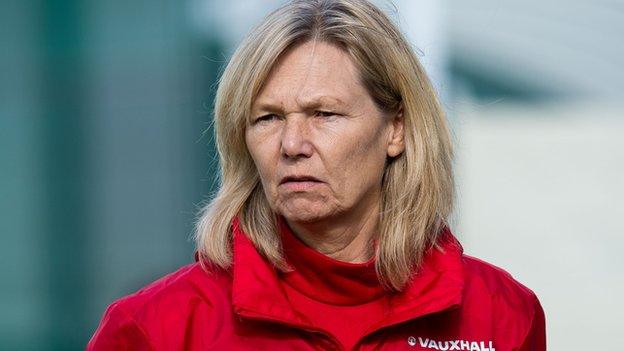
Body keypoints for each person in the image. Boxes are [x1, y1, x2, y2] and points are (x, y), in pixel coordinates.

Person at [87, 0, 546, 350]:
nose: (292, 145)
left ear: (396, 130)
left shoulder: (502, 314)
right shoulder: (156, 328)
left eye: (323, 113)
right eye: (267, 118)